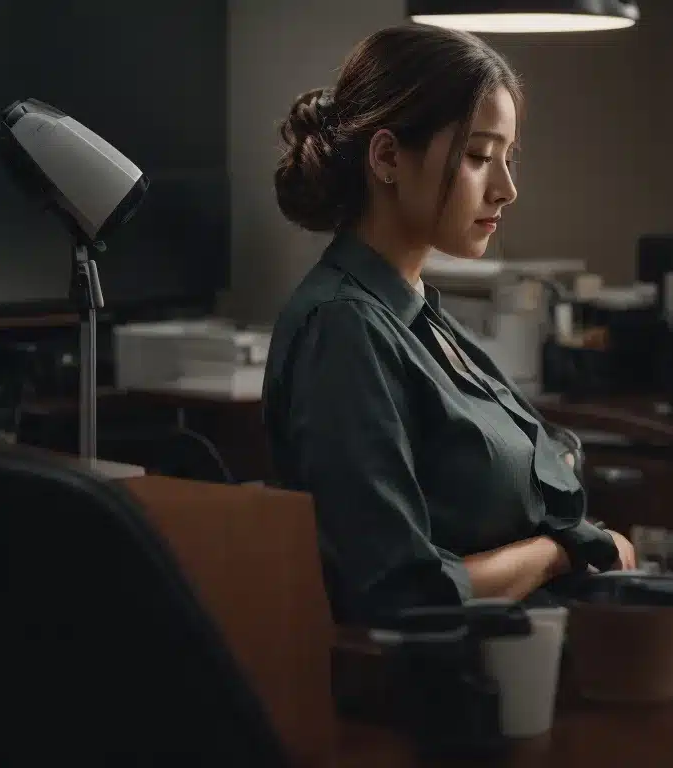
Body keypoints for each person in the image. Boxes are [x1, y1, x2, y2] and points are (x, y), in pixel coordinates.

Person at [264, 25, 633, 626]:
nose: (506, 189)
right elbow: (398, 590)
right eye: (478, 156)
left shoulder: (419, 314)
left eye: (506, 158)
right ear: (386, 157)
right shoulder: (344, 330)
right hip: (446, 682)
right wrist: (557, 553)